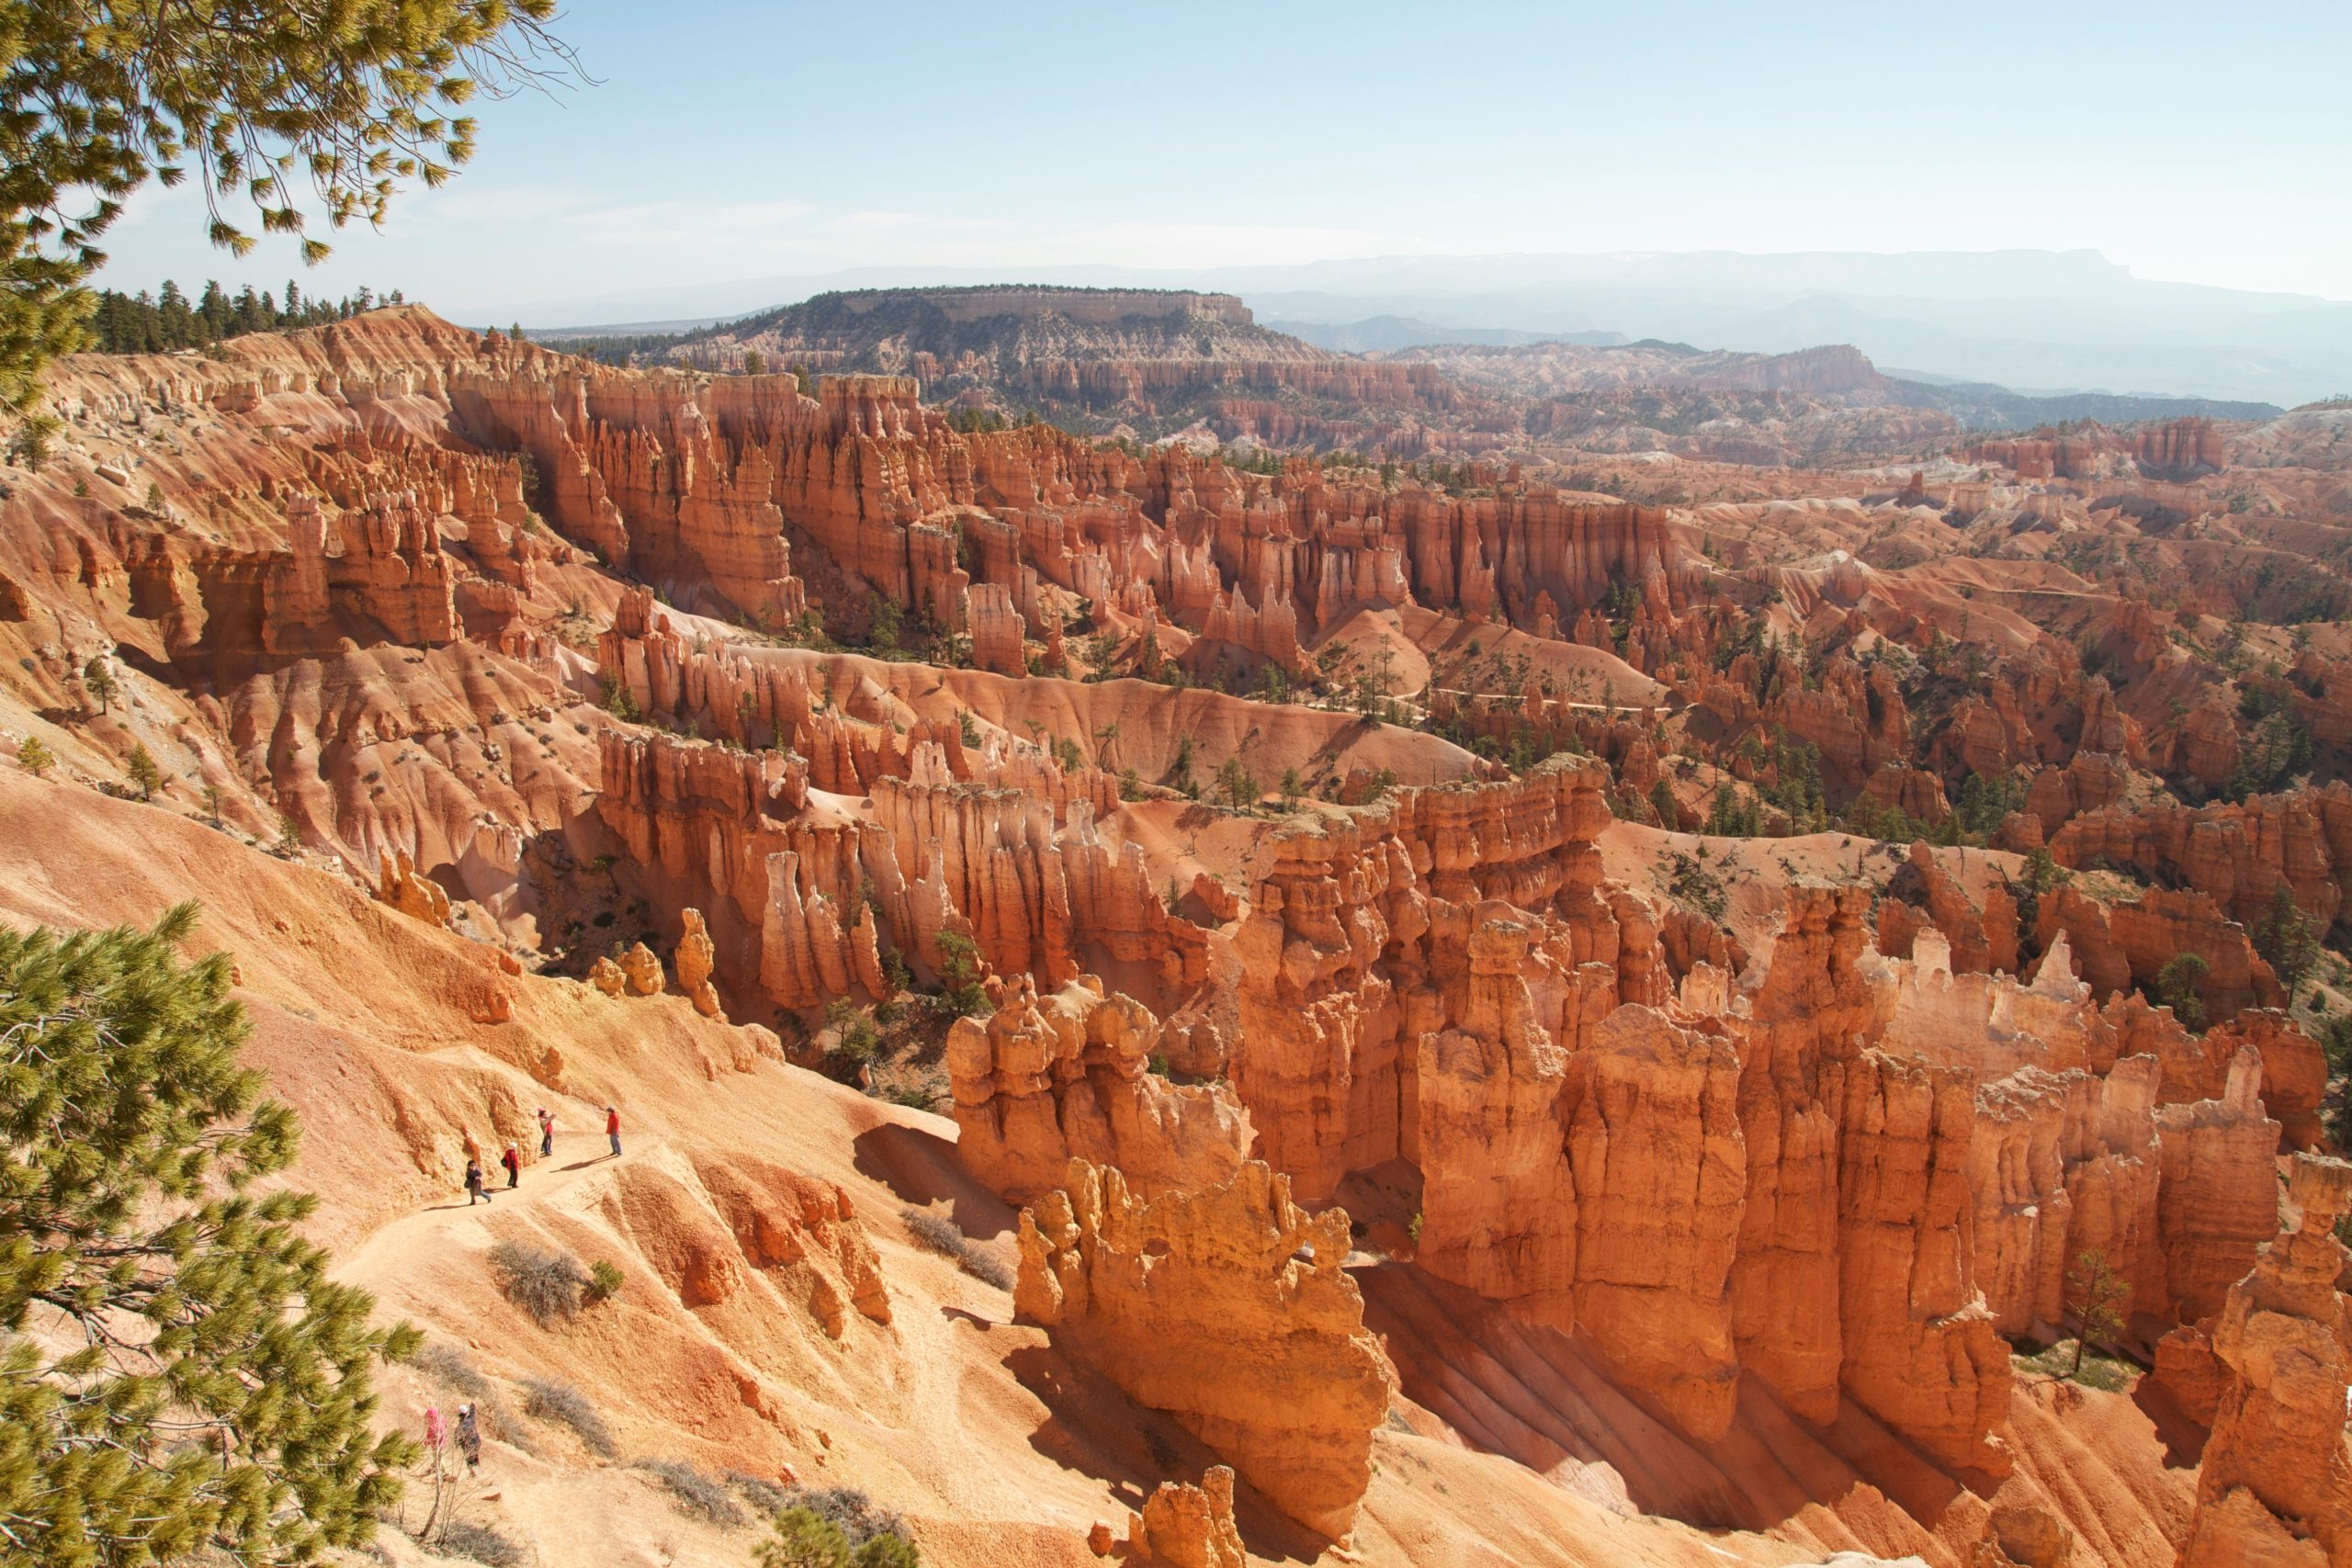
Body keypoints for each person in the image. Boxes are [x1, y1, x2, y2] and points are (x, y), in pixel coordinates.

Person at [455, 1403, 481, 1473]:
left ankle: (473, 1472)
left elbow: (457, 1438)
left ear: (459, 1415)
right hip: (476, 1442)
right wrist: (472, 1405)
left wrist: (457, 1444)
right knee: (474, 1455)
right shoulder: (471, 1419)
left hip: (467, 1445)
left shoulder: (459, 1427)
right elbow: (472, 1411)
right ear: (466, 1413)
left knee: (469, 1457)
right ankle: (477, 1470)